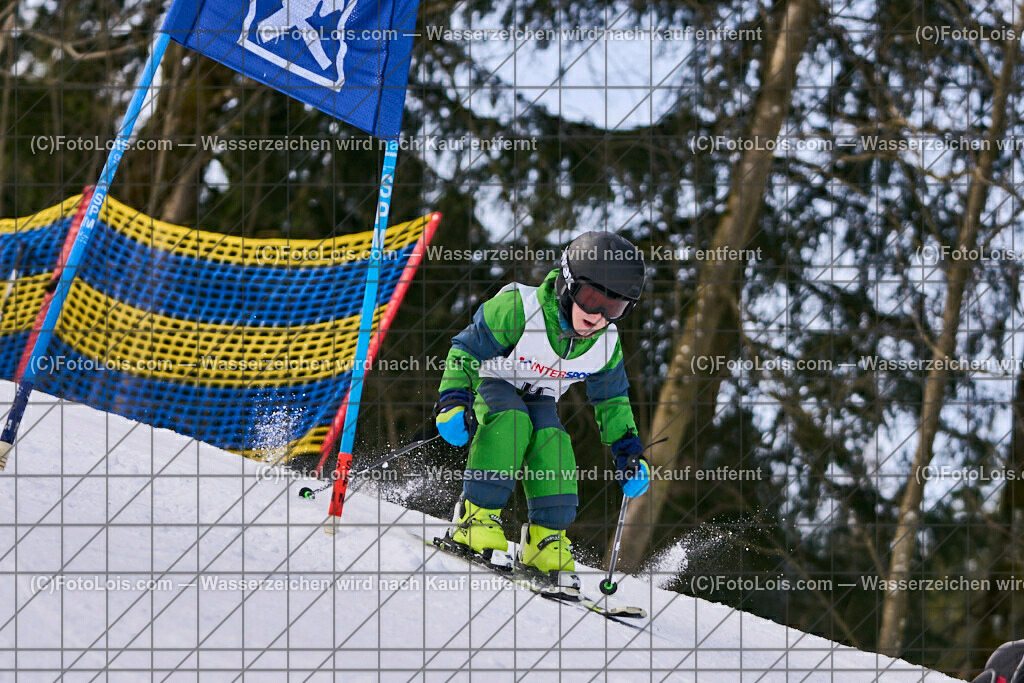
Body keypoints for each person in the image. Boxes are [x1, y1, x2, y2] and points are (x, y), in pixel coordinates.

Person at [434, 231, 651, 586]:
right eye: (592, 298)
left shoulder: (605, 345)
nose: (598, 316)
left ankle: (545, 540)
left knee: (554, 443)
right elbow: (465, 351)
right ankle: (475, 518)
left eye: (613, 308)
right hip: (492, 381)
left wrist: (628, 452)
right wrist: (452, 401)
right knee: (513, 422)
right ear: (568, 285)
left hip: (540, 397)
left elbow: (612, 400)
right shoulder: (521, 309)